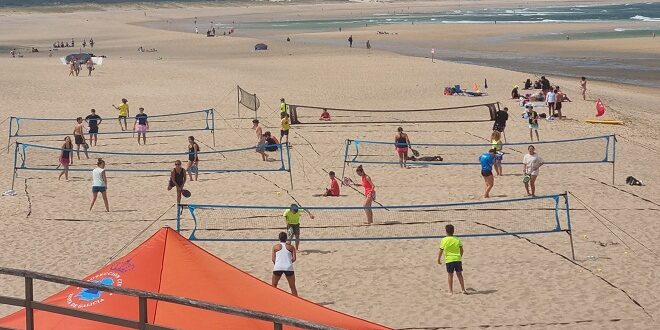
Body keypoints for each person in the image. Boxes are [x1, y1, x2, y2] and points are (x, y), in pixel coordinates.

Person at [438, 224, 467, 295]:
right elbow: (462, 250)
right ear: (453, 231)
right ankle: (463, 290)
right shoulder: (457, 239)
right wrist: (459, 257)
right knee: (459, 274)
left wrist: (438, 259)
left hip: (449, 260)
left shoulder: (444, 240)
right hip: (457, 259)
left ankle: (451, 291)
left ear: (446, 232)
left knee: (450, 275)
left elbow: (441, 250)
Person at [272, 232, 297, 296]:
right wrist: (288, 262)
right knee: (292, 287)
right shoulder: (291, 247)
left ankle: (272, 301)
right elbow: (294, 259)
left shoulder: (275, 247)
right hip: (288, 267)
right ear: (286, 238)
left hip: (278, 267)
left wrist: (277, 263)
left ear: (279, 238)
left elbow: (273, 259)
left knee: (273, 286)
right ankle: (297, 303)